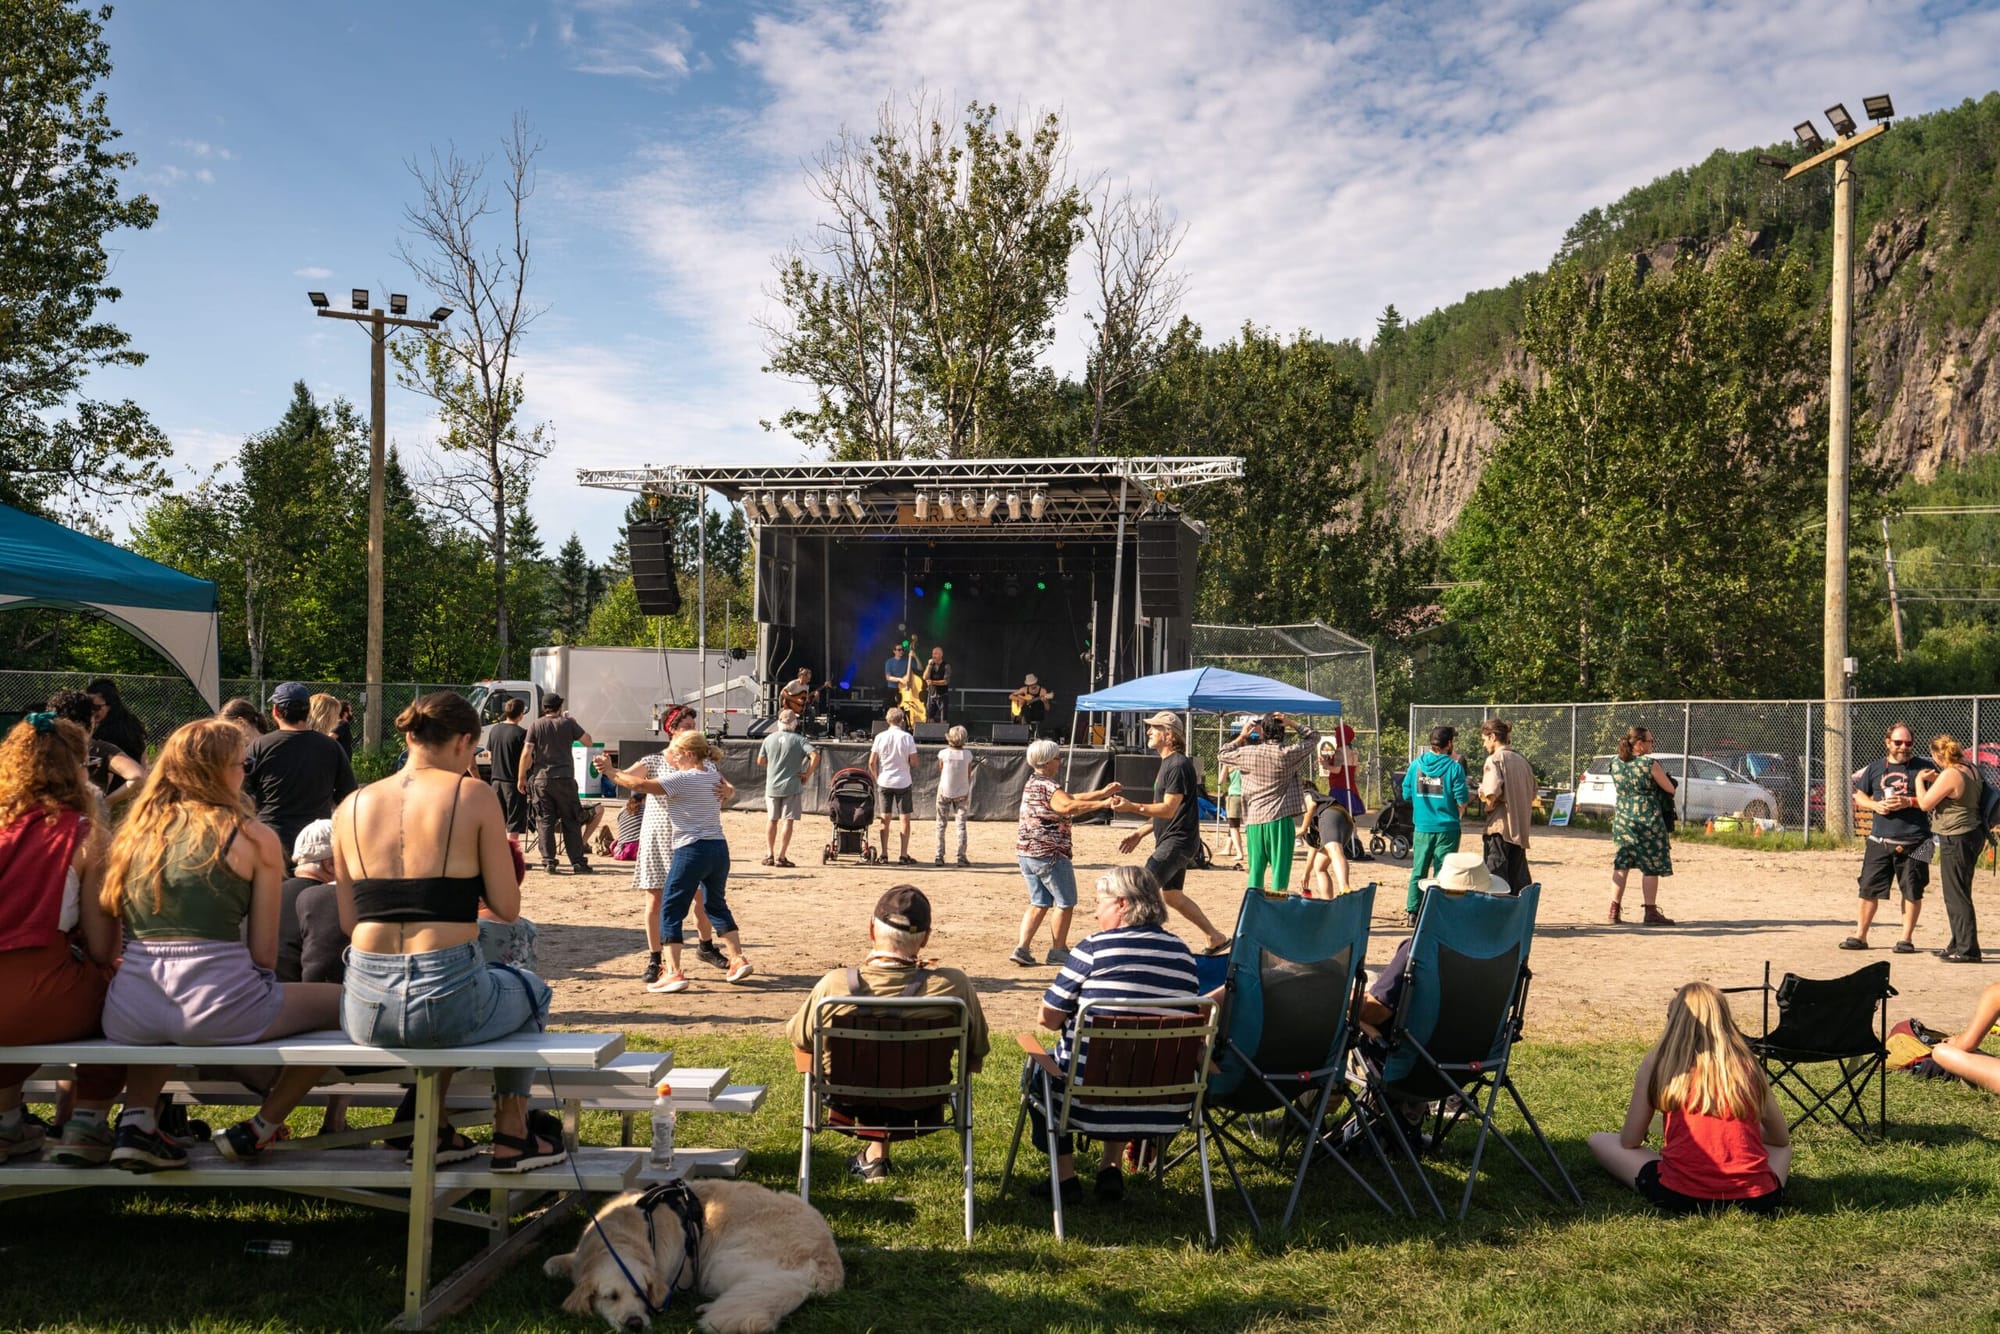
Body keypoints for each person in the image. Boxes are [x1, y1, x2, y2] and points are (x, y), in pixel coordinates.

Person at [331, 692, 562, 1172]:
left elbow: (350, 922)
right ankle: (513, 1133)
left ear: (410, 736)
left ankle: (433, 1128)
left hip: (364, 1005)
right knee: (531, 990)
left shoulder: (351, 804)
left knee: (447, 1014)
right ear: (463, 742)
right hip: (444, 994)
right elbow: (507, 906)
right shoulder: (470, 795)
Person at [100, 718, 343, 1170]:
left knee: (166, 1023)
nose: (245, 773)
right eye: (241, 764)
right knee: (348, 1001)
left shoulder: (128, 838)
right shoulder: (253, 837)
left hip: (130, 1009)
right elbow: (264, 956)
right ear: (218, 772)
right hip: (219, 1006)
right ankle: (263, 1125)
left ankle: (136, 1120)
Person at [784, 886, 990, 1183]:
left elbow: (800, 1039)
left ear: (871, 929)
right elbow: (978, 1048)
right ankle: (875, 1156)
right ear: (926, 938)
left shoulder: (835, 986)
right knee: (896, 1064)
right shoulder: (953, 987)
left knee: (876, 1063)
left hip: (849, 1100)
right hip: (924, 1100)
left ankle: (874, 1157)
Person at [1029, 866, 1201, 1204]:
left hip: (1085, 1103)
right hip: (1165, 1104)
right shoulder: (1182, 953)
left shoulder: (1093, 949)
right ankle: (1110, 1167)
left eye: (1098, 903)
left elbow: (1048, 1019)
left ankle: (1065, 1179)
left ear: (1121, 904)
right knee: (1131, 1056)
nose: (1094, 913)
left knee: (1039, 1064)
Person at [0, 713, 123, 1166]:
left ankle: (6, 1121)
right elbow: (102, 948)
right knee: (132, 992)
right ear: (78, 769)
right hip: (40, 996)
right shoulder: (86, 837)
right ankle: (88, 1119)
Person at [1587, 982, 1789, 1217]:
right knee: (1783, 1149)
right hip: (1758, 1200)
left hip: (1679, 1197)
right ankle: (1758, 1186)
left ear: (1673, 1020)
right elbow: (1780, 1138)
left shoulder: (1657, 1064)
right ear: (1724, 1019)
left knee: (1599, 1140)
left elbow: (1629, 1141)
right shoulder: (1747, 1066)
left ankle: (1686, 1175)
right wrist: (1742, 1134)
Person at [596, 729, 752, 993]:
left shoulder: (682, 778)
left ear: (689, 755)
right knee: (716, 904)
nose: (673, 759)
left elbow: (640, 786)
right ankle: (737, 959)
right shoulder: (712, 774)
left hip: (691, 849)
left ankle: (673, 972)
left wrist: (611, 773)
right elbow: (728, 789)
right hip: (719, 848)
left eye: (677, 755)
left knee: (670, 909)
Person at [1110, 712, 1230, 954]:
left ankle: (1135, 945)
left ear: (1169, 734)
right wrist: (1142, 832)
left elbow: (1168, 808)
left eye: (1154, 728)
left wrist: (1132, 807)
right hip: (1176, 840)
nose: (1148, 732)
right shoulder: (1169, 763)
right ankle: (1215, 937)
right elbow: (1172, 812)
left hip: (1178, 842)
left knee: (1140, 890)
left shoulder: (1177, 764)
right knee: (1173, 896)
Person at [1010, 737, 1121, 967]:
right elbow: (1067, 806)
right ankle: (1057, 950)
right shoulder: (1049, 786)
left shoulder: (1033, 782)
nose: (1060, 761)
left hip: (1027, 853)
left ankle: (1022, 947)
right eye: (1058, 758)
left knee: (1039, 901)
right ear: (1049, 761)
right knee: (1065, 901)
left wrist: (1100, 793)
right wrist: (1103, 804)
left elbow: (1070, 798)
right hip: (1050, 852)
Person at [1844, 722, 1938, 953]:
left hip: (1920, 841)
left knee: (1914, 889)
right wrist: (1875, 805)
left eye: (1908, 743)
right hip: (1879, 840)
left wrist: (1911, 801)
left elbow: (1938, 797)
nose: (1903, 747)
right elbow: (1859, 796)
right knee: (1867, 888)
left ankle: (1906, 939)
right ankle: (1860, 936)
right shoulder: (1875, 768)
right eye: (1898, 742)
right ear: (1888, 742)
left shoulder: (1925, 768)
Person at [243, 681, 358, 864]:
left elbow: (243, 790)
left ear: (276, 712)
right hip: (315, 842)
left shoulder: (260, 746)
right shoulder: (331, 747)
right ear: (307, 711)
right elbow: (348, 793)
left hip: (271, 837)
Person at [1219, 711, 1319, 894]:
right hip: (1280, 819)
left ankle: (1253, 909)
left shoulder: (1247, 753)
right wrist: (1292, 722)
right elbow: (1313, 737)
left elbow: (1222, 753)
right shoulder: (1288, 753)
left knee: (1255, 873)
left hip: (1254, 820)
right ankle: (1276, 910)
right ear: (1283, 732)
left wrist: (1242, 736)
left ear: (1262, 731)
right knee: (1280, 875)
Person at [1915, 733, 1984, 963]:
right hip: (1972, 833)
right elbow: (1957, 794)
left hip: (1956, 837)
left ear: (1937, 755)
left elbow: (1925, 803)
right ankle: (1957, 942)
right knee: (1959, 890)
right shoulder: (1970, 767)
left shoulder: (1951, 773)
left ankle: (1968, 950)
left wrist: (1919, 781)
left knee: (1956, 894)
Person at [1402, 725, 1470, 927]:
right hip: (1447, 828)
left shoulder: (1416, 765)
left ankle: (1413, 912)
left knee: (1418, 870)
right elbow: (1462, 799)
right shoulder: (1454, 767)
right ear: (1449, 743)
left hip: (1422, 827)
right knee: (1443, 871)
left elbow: (1406, 794)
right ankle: (1437, 911)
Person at [519, 691, 593, 875]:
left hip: (542, 779)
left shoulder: (535, 725)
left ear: (544, 708)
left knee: (544, 821)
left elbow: (527, 753)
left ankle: (549, 861)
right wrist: (574, 723)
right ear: (559, 707)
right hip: (565, 779)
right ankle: (577, 861)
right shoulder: (568, 724)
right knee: (571, 820)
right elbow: (588, 742)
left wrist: (521, 777)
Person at [1609, 726, 1676, 926]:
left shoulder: (1615, 762)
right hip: (1647, 819)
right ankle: (1650, 911)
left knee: (1622, 863)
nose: (1651, 745)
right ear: (1639, 743)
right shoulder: (1649, 764)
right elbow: (1670, 789)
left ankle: (1614, 909)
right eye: (1649, 741)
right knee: (1651, 866)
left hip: (1623, 819)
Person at [46, 688, 145, 807]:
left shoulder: (39, 746)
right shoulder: (98, 749)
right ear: (89, 720)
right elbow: (139, 777)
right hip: (86, 817)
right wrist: (104, 803)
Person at [277, 818, 346, 988]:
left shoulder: (271, 893)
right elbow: (324, 975)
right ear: (330, 865)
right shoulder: (326, 901)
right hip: (295, 1003)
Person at [1477, 718, 1535, 892]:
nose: (1484, 745)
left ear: (1493, 736)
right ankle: (1518, 917)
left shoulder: (1494, 759)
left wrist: (1487, 803)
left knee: (1496, 880)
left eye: (1484, 740)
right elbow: (1533, 793)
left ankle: (1496, 918)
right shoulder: (1522, 761)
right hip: (1520, 831)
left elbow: (1492, 791)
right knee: (1518, 881)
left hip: (1500, 829)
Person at [758, 708, 820, 868]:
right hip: (792, 785)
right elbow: (815, 755)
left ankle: (769, 853)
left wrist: (774, 762)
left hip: (772, 785)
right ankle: (781, 855)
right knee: (788, 820)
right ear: (794, 723)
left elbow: (760, 761)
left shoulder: (769, 739)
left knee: (772, 820)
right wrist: (807, 773)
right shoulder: (799, 740)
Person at [1924, 981, 2000, 1091]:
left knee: (1941, 1051)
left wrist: (1954, 1041)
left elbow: (1966, 1045)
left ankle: (1974, 1078)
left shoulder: (1995, 992)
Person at [870, 706, 919, 865]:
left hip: (885, 780)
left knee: (885, 818)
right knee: (905, 818)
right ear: (902, 721)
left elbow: (871, 762)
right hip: (903, 780)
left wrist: (878, 778)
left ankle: (884, 854)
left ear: (887, 721)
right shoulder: (907, 738)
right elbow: (914, 761)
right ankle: (903, 854)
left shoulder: (880, 737)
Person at [485, 697, 531, 836]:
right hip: (513, 783)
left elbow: (489, 755)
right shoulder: (522, 734)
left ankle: (497, 853)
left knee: (498, 820)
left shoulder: (494, 730)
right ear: (521, 714)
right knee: (513, 823)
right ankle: (511, 855)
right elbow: (527, 760)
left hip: (496, 781)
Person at [935, 725, 978, 867]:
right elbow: (968, 773)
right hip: (962, 792)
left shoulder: (943, 753)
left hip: (944, 791)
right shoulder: (968, 755)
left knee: (941, 825)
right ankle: (961, 856)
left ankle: (939, 856)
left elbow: (940, 769)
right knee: (961, 825)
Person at [85, 678, 148, 764]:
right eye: (88, 706)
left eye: (96, 707)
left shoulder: (108, 733)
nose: (91, 711)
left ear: (111, 705)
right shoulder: (132, 723)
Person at [1220, 744, 1246, 871]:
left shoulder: (1230, 764)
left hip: (1235, 795)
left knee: (1233, 826)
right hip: (1247, 796)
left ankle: (1239, 852)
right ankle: (1228, 848)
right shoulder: (1246, 761)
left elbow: (1221, 781)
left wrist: (1224, 767)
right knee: (1236, 825)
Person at [922, 645, 952, 723]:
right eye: (933, 654)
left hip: (942, 695)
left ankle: (942, 734)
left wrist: (933, 682)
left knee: (943, 718)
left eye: (936, 654)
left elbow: (946, 681)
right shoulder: (931, 665)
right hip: (931, 695)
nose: (933, 656)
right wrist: (929, 665)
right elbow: (925, 677)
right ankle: (931, 734)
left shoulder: (946, 666)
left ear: (941, 655)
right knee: (930, 717)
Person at [883, 639, 913, 710]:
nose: (901, 651)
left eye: (902, 649)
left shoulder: (906, 660)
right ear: (894, 651)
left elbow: (920, 668)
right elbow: (888, 677)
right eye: (899, 650)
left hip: (904, 689)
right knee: (892, 709)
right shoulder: (889, 662)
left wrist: (914, 656)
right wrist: (899, 679)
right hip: (892, 689)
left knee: (904, 709)